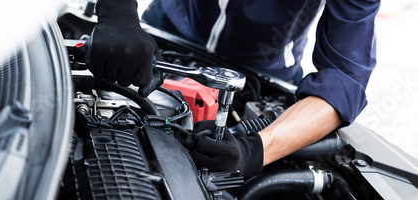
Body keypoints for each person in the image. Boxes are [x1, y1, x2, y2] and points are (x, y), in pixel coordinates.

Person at [79, 0, 380, 179]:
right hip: (166, 29)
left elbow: (345, 77)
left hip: (263, 64)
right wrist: (117, 12)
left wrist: (254, 150)